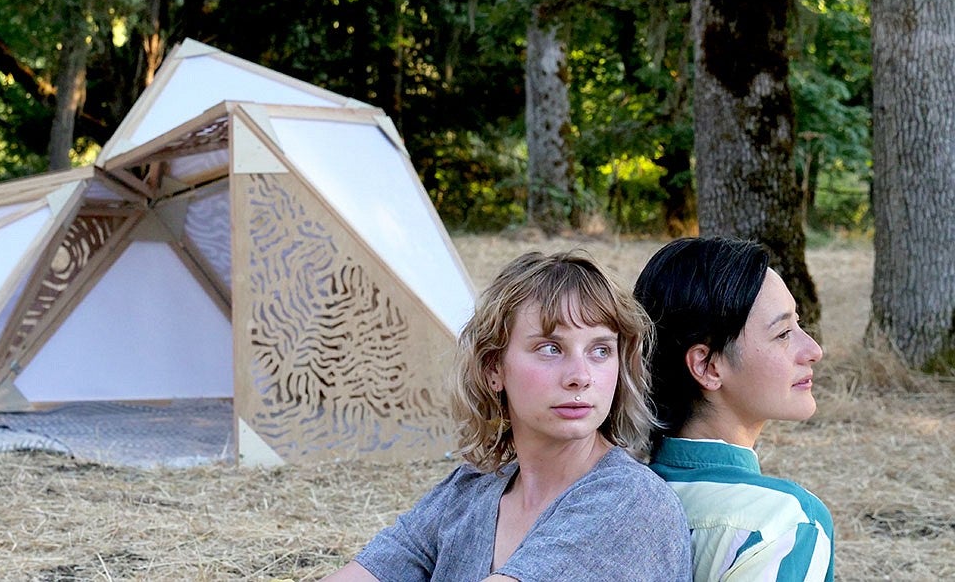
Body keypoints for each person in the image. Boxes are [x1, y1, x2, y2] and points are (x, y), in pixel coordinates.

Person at [323, 251, 693, 582]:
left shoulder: (632, 501)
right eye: (550, 348)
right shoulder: (471, 489)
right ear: (492, 368)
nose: (581, 376)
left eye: (600, 350)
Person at [634, 237, 835, 582]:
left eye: (799, 325)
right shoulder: (785, 523)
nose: (813, 349)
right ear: (708, 366)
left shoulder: (611, 496)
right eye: (784, 333)